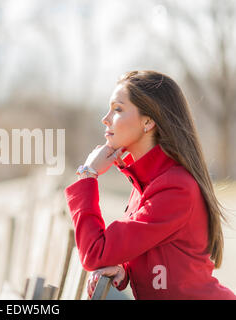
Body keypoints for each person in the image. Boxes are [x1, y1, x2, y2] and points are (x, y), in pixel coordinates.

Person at [64, 70, 236, 300]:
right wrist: (125, 271)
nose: (105, 119)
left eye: (117, 109)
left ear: (148, 122)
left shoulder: (175, 188)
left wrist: (88, 175)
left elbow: (95, 253)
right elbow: (161, 261)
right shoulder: (146, 183)